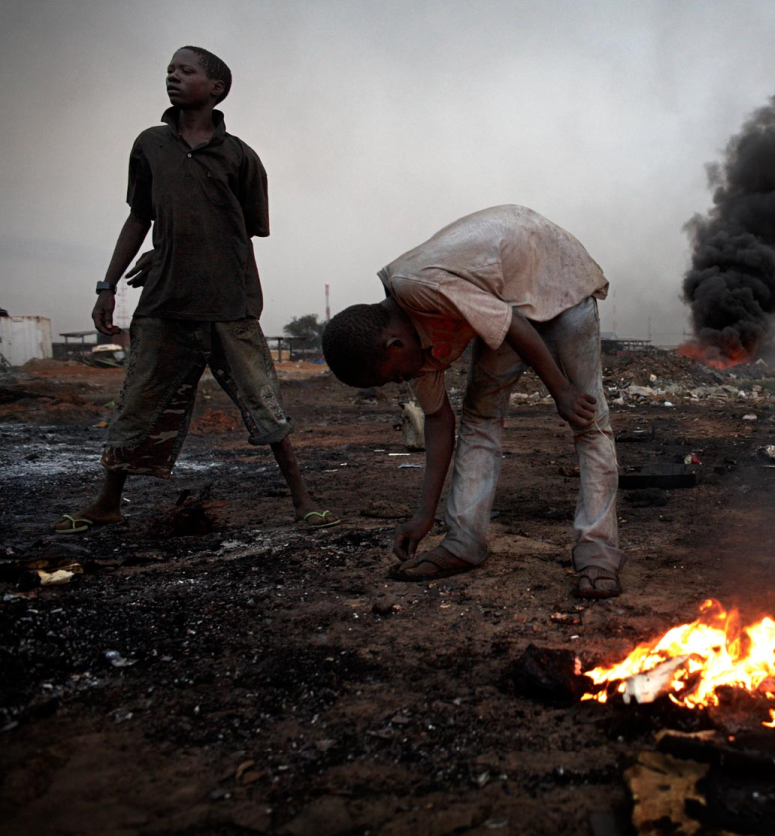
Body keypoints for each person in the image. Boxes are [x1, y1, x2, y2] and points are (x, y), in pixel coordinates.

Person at [51, 46, 338, 535]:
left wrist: (180, 245)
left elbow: (244, 229)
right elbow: (141, 216)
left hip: (230, 303)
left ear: (216, 88)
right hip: (165, 302)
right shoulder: (150, 146)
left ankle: (302, 500)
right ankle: (107, 502)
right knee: (136, 401)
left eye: (186, 71)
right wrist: (109, 284)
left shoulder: (240, 156)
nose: (173, 76)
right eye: (170, 70)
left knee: (263, 403)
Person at [321, 205, 623, 599]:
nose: (404, 381)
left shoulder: (418, 287)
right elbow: (440, 422)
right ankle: (464, 542)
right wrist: (423, 515)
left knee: (587, 419)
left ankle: (598, 554)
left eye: (395, 375)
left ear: (394, 346)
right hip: (506, 301)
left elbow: (512, 322)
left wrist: (562, 392)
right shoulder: (413, 351)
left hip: (555, 273)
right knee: (479, 417)